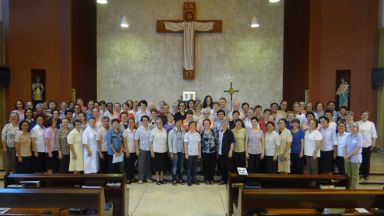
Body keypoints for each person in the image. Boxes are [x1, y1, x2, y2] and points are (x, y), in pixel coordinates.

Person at [358, 111, 378, 180]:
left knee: (367, 159)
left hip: (368, 144)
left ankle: (366, 174)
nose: (364, 116)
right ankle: (359, 173)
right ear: (361, 115)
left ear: (368, 116)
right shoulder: (358, 123)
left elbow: (374, 134)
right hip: (359, 145)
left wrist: (373, 143)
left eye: (366, 115)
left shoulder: (371, 124)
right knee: (359, 159)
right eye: (363, 114)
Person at [344, 122, 363, 189]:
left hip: (355, 158)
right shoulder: (348, 136)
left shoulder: (359, 136)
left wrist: (348, 156)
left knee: (354, 175)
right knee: (348, 174)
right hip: (347, 158)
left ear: (357, 128)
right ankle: (348, 188)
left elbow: (358, 148)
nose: (352, 128)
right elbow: (345, 146)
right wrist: (345, 156)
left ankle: (354, 189)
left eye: (354, 127)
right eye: (350, 126)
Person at [150, 118, 168, 185]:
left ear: (162, 123)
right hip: (156, 151)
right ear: (155, 124)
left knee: (162, 166)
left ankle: (161, 178)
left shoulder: (165, 130)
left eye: (160, 123)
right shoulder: (153, 131)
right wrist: (151, 151)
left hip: (164, 150)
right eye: (157, 123)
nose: (159, 124)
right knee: (157, 166)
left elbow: (166, 141)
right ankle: (157, 179)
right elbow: (150, 142)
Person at [134, 115, 153, 184]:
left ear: (148, 121)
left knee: (148, 164)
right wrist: (137, 149)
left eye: (146, 120)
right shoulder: (139, 129)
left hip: (149, 149)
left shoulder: (150, 129)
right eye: (143, 120)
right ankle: (140, 178)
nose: (145, 121)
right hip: (142, 148)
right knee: (141, 164)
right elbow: (136, 140)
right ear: (141, 121)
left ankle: (148, 177)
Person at [168, 118, 186, 186]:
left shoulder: (183, 131)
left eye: (180, 122)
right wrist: (171, 152)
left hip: (182, 151)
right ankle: (174, 179)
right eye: (178, 122)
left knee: (181, 166)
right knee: (175, 166)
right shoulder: (171, 132)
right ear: (175, 123)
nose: (179, 123)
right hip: (175, 151)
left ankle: (180, 178)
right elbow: (169, 142)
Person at [183, 121, 201, 186]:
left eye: (193, 125)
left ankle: (194, 179)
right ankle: (189, 180)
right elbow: (185, 144)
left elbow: (199, 144)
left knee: (194, 167)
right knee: (189, 168)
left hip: (196, 153)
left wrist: (199, 153)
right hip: (189, 153)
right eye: (191, 125)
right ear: (189, 126)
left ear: (195, 126)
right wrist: (186, 153)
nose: (192, 126)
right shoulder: (186, 134)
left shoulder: (197, 134)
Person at [200, 119, 218, 185]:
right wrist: (200, 152)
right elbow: (200, 143)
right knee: (205, 165)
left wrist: (217, 151)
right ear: (203, 124)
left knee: (212, 165)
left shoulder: (214, 132)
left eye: (207, 123)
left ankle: (211, 178)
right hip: (204, 151)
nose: (206, 124)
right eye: (205, 123)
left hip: (213, 151)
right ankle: (206, 178)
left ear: (210, 124)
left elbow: (216, 142)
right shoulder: (201, 132)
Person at [218, 119, 235, 185]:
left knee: (229, 168)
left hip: (227, 153)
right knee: (223, 167)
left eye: (225, 124)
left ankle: (229, 181)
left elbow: (232, 143)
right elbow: (219, 143)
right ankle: (223, 180)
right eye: (222, 124)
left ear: (227, 125)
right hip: (221, 153)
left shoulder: (230, 133)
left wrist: (230, 151)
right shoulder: (220, 132)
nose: (223, 125)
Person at [123, 118, 137, 184]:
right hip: (128, 151)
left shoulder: (136, 131)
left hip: (134, 151)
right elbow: (125, 142)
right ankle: (127, 178)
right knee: (127, 165)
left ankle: (132, 177)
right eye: (130, 122)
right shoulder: (126, 131)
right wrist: (127, 151)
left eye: (132, 122)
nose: (131, 123)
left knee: (132, 165)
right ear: (128, 123)